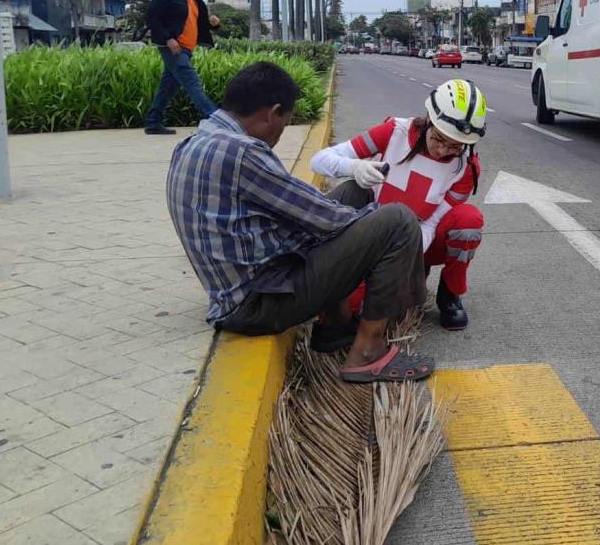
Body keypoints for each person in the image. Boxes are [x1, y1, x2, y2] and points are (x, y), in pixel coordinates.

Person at [166, 61, 434, 383]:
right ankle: (368, 353)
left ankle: (334, 327)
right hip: (258, 303)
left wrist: (357, 212)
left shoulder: (195, 142)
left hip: (247, 285)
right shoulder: (242, 153)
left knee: (354, 191)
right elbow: (322, 219)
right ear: (271, 113)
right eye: (285, 123)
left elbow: (298, 208)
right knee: (398, 220)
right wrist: (373, 227)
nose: (280, 134)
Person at [311, 78, 487, 331]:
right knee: (348, 312)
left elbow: (432, 222)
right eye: (438, 138)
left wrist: (408, 256)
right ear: (428, 119)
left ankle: (450, 295)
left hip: (420, 239)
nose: (442, 150)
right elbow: (319, 160)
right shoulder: (394, 132)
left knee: (468, 221)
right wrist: (354, 166)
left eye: (455, 146)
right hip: (375, 237)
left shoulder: (466, 167)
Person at [143, 0, 221, 135]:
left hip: (186, 48)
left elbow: (199, 22)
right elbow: (153, 18)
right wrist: (168, 39)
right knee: (192, 82)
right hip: (172, 47)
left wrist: (214, 24)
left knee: (168, 86)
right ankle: (217, 120)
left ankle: (153, 122)